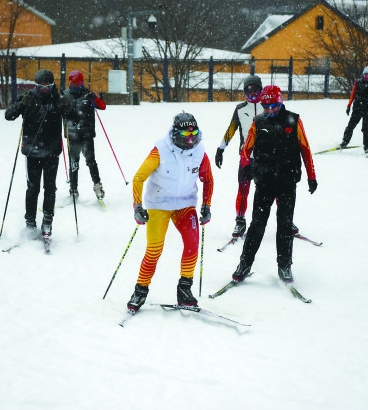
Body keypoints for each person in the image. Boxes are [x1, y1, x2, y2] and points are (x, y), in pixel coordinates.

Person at [127, 112, 214, 313]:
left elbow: (208, 179)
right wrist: (138, 206)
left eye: (195, 133)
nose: (191, 139)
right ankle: (140, 290)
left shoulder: (199, 151)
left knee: (192, 243)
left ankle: (184, 290)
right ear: (176, 133)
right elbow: (138, 178)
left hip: (185, 202)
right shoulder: (160, 151)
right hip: (159, 203)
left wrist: (207, 205)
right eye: (186, 134)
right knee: (154, 249)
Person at [231, 85, 317, 285]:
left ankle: (284, 265)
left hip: (287, 181)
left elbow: (305, 149)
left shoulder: (293, 120)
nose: (270, 110)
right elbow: (246, 149)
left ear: (281, 102)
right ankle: (244, 263)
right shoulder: (258, 122)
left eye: (274, 106)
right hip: (264, 181)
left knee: (285, 225)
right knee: (257, 225)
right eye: (266, 106)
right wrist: (246, 165)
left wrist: (311, 176)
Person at [4, 69, 70, 239]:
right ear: (36, 85)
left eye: (48, 86)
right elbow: (9, 116)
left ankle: (47, 221)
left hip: (51, 151)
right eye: (41, 86)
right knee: (32, 188)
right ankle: (30, 222)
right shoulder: (28, 97)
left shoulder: (58, 99)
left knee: (50, 188)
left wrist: (67, 105)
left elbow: (72, 117)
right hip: (32, 151)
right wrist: (21, 104)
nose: (45, 89)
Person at [214, 75, 262, 238]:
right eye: (249, 89)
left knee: (275, 190)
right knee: (243, 190)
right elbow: (232, 129)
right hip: (247, 158)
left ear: (261, 89)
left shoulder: (268, 106)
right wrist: (221, 148)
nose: (252, 92)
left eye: (255, 88)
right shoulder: (240, 109)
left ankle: (285, 221)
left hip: (268, 157)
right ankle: (240, 222)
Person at [62, 70, 107, 200]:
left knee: (90, 161)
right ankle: (73, 188)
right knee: (73, 163)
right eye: (72, 82)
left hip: (86, 135)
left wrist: (95, 98)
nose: (75, 84)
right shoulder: (65, 96)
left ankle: (97, 186)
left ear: (82, 82)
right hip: (72, 135)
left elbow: (102, 106)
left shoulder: (88, 95)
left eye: (78, 82)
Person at [340, 64, 368, 155]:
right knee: (350, 126)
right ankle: (345, 141)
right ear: (363, 75)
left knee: (365, 128)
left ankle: (367, 147)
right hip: (357, 108)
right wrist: (349, 106)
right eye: (365, 74)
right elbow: (352, 95)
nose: (366, 76)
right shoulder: (358, 82)